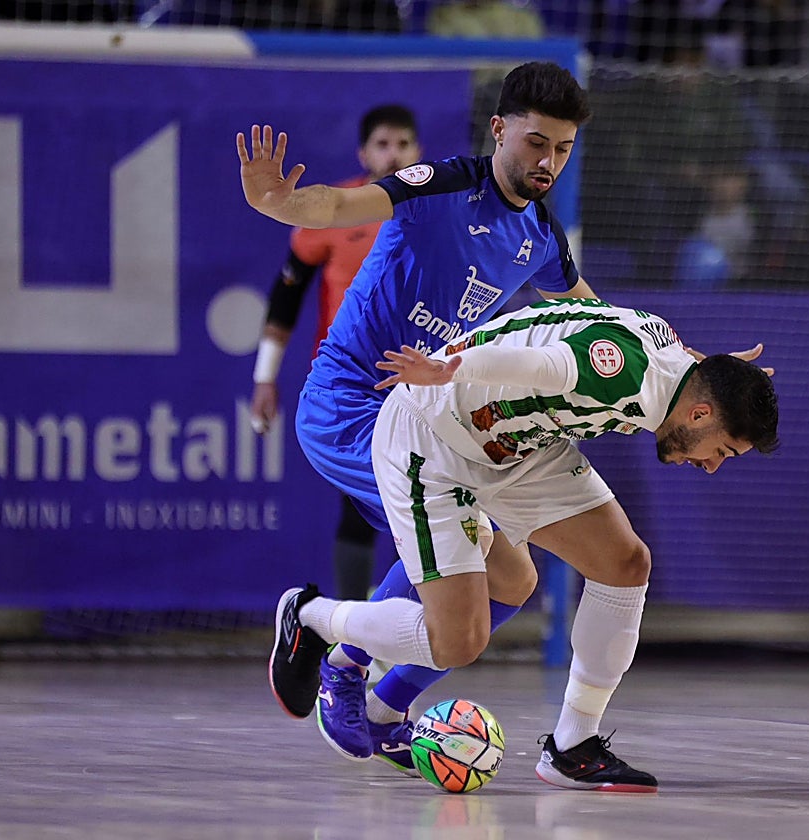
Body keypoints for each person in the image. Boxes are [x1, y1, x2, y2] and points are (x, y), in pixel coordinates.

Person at [241, 61, 598, 775]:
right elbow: (338, 209)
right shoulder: (443, 184)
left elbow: (592, 319)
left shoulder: (541, 238)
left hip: (424, 419)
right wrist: (277, 203)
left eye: (562, 149)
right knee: (452, 575)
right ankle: (330, 647)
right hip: (350, 406)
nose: (548, 162)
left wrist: (683, 360)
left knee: (514, 581)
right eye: (535, 143)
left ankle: (382, 703)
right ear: (499, 129)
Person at [272, 296, 780, 791]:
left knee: (623, 563)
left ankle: (572, 747)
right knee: (457, 640)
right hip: (434, 440)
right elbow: (540, 365)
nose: (713, 465)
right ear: (699, 415)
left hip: (519, 445)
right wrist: (450, 367)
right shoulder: (617, 372)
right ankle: (313, 616)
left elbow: (692, 365)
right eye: (724, 450)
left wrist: (732, 377)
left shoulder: (679, 373)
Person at [249, 104, 423, 601]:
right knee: (365, 501)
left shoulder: (438, 210)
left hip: (419, 378)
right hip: (353, 382)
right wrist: (265, 377)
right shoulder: (335, 208)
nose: (394, 155)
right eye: (384, 144)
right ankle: (356, 629)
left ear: (419, 151)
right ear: (363, 153)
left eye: (404, 144)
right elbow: (287, 294)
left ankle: (402, 621)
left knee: (421, 499)